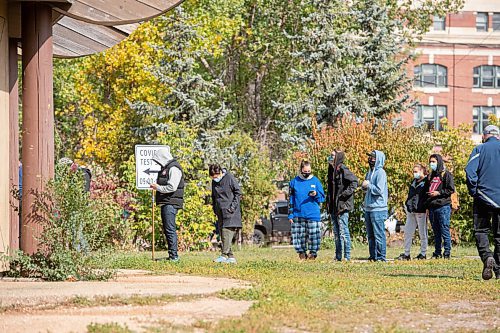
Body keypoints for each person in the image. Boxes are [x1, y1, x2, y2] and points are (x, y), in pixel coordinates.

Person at [465, 124, 500, 280]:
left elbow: (469, 171)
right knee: (499, 236)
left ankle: (487, 257)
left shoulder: (479, 149)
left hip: (482, 197)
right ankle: (499, 271)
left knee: (481, 231)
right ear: (497, 135)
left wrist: (474, 190)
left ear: (485, 135)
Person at [150, 146, 185, 262]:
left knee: (170, 229)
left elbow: (172, 187)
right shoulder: (167, 168)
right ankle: (171, 255)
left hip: (171, 202)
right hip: (167, 202)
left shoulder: (174, 168)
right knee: (167, 229)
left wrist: (157, 187)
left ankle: (174, 256)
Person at [288, 160, 325, 260]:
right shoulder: (294, 182)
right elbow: (290, 199)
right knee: (299, 236)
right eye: (305, 171)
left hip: (313, 213)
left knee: (314, 236)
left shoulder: (315, 181)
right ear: (301, 170)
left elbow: (322, 198)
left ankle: (313, 254)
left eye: (309, 171)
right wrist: (290, 214)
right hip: (298, 213)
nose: (307, 173)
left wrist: (315, 195)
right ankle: (301, 253)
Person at [326, 150, 358, 261]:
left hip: (342, 206)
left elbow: (354, 182)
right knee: (336, 232)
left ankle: (347, 256)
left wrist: (344, 195)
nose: (330, 157)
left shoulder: (343, 169)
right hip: (333, 207)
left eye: (333, 156)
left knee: (344, 231)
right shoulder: (331, 170)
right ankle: (338, 256)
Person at [209, 164, 242, 264]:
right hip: (220, 212)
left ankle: (223, 255)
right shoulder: (214, 182)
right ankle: (231, 257)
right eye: (212, 177)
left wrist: (232, 207)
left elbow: (238, 193)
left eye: (216, 176)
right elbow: (214, 196)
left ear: (220, 173)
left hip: (231, 211)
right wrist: (215, 208)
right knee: (223, 234)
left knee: (226, 233)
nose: (215, 179)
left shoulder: (229, 178)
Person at [424, 154, 455, 259]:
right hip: (432, 207)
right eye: (430, 161)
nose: (431, 164)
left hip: (443, 206)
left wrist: (438, 193)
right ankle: (437, 252)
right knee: (436, 232)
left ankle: (447, 252)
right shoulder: (431, 175)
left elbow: (450, 189)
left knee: (444, 230)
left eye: (434, 161)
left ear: (439, 162)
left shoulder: (446, 174)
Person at [396, 164, 428, 261]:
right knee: (408, 232)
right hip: (411, 211)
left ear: (422, 171)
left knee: (422, 233)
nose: (415, 174)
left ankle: (423, 253)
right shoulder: (414, 182)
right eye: (414, 171)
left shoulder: (426, 182)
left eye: (416, 171)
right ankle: (406, 253)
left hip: (421, 211)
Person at [362, 150, 388, 262]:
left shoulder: (381, 172)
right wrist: (364, 187)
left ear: (378, 159)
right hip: (368, 207)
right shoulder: (369, 172)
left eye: (372, 158)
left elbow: (379, 190)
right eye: (369, 157)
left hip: (378, 208)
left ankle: (381, 257)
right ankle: (373, 256)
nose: (370, 160)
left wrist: (369, 185)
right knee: (371, 235)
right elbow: (368, 188)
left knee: (378, 234)